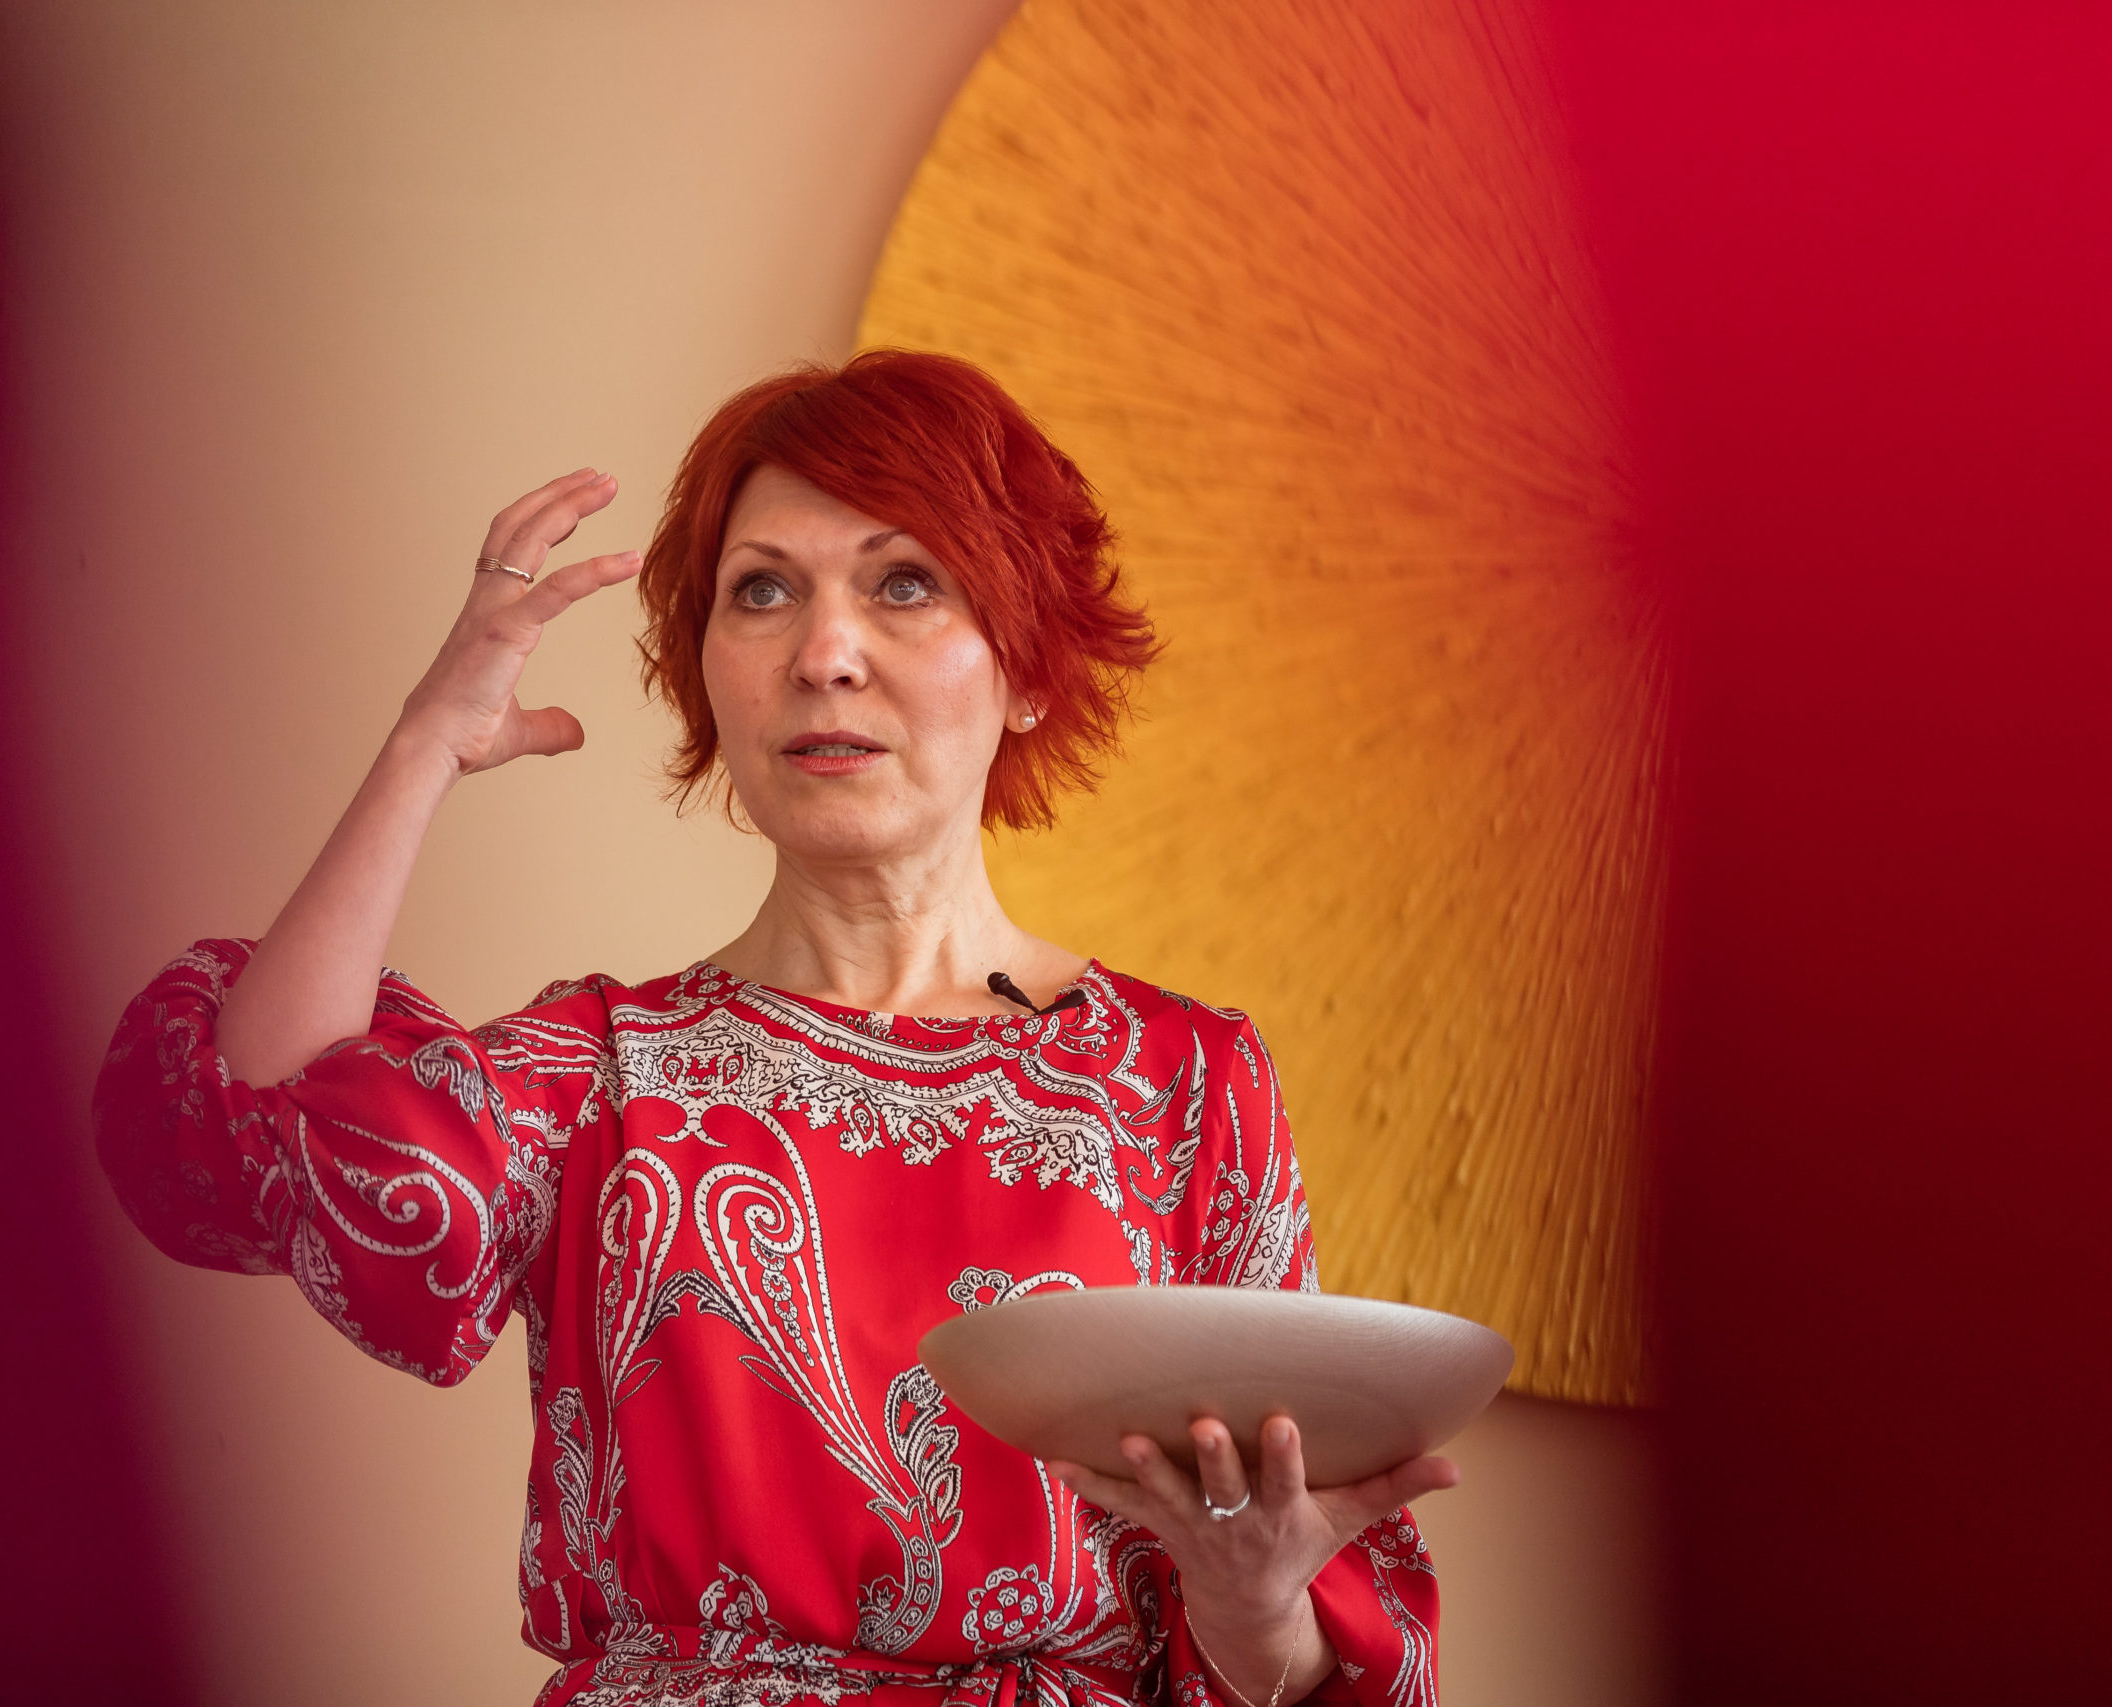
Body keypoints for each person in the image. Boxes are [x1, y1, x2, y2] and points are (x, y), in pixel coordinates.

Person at [94, 351, 1454, 1707]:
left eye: (903, 583)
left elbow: (1321, 1645)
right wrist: (425, 744)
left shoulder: (1188, 1083)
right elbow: (234, 1137)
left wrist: (1253, 1608)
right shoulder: (600, 1074)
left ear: (1030, 666)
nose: (823, 655)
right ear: (708, 675)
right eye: (761, 591)